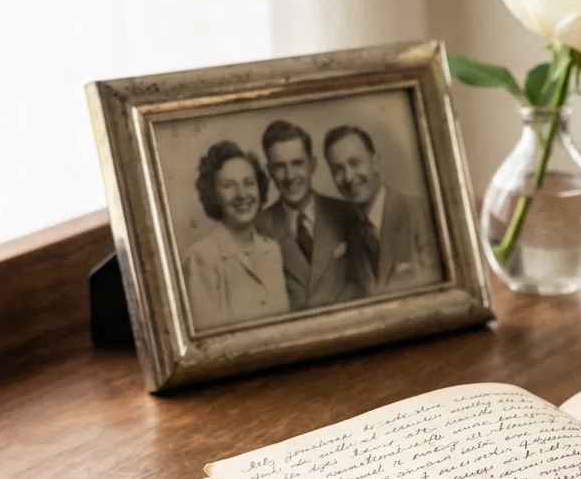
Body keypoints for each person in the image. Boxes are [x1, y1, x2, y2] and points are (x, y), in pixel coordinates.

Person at [324, 124, 444, 294]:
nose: (349, 177)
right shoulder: (353, 237)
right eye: (338, 170)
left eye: (355, 163)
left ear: (375, 163)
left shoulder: (421, 212)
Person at [182, 140, 290, 329]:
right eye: (228, 186)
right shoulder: (200, 258)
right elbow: (211, 344)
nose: (242, 194)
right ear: (214, 195)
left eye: (249, 183)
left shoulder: (271, 250)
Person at [257, 119, 362, 310]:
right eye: (280, 166)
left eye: (297, 163)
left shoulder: (348, 214)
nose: (289, 176)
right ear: (270, 171)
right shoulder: (258, 228)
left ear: (312, 165)